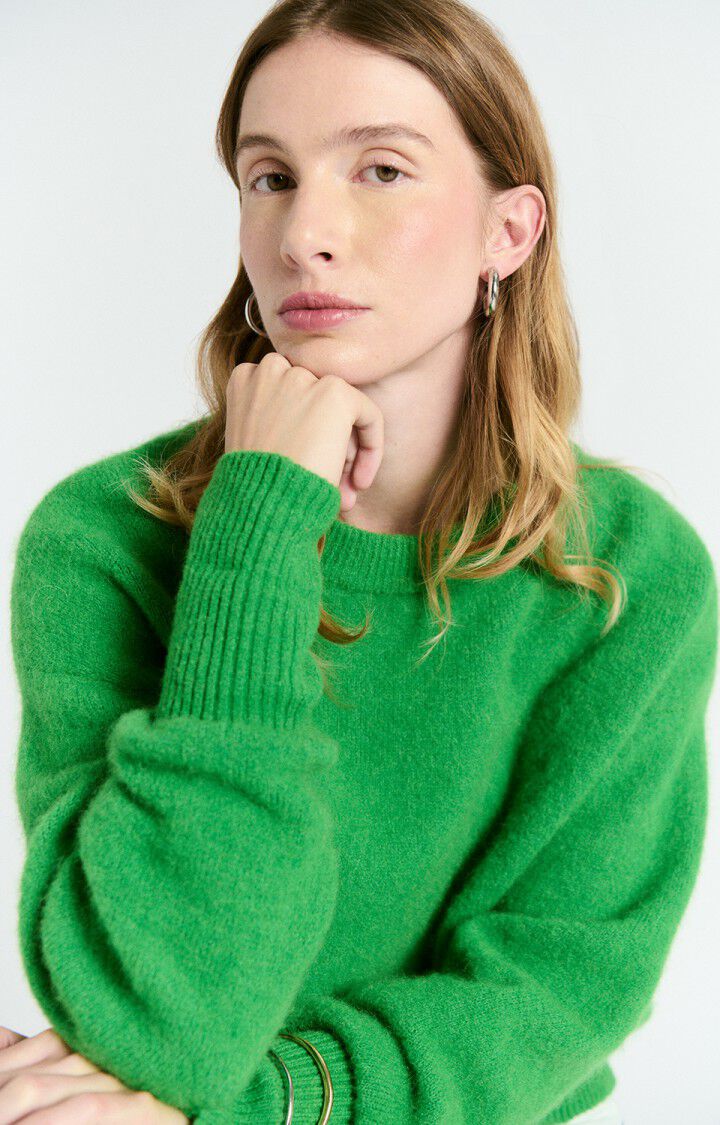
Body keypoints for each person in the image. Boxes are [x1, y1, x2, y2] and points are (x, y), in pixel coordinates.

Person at [7, 1, 717, 1122]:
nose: (304, 233)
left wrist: (260, 1106)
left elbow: (555, 994)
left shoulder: (626, 574)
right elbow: (159, 1016)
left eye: (381, 170)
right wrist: (257, 526)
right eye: (270, 177)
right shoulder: (102, 539)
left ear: (509, 232)